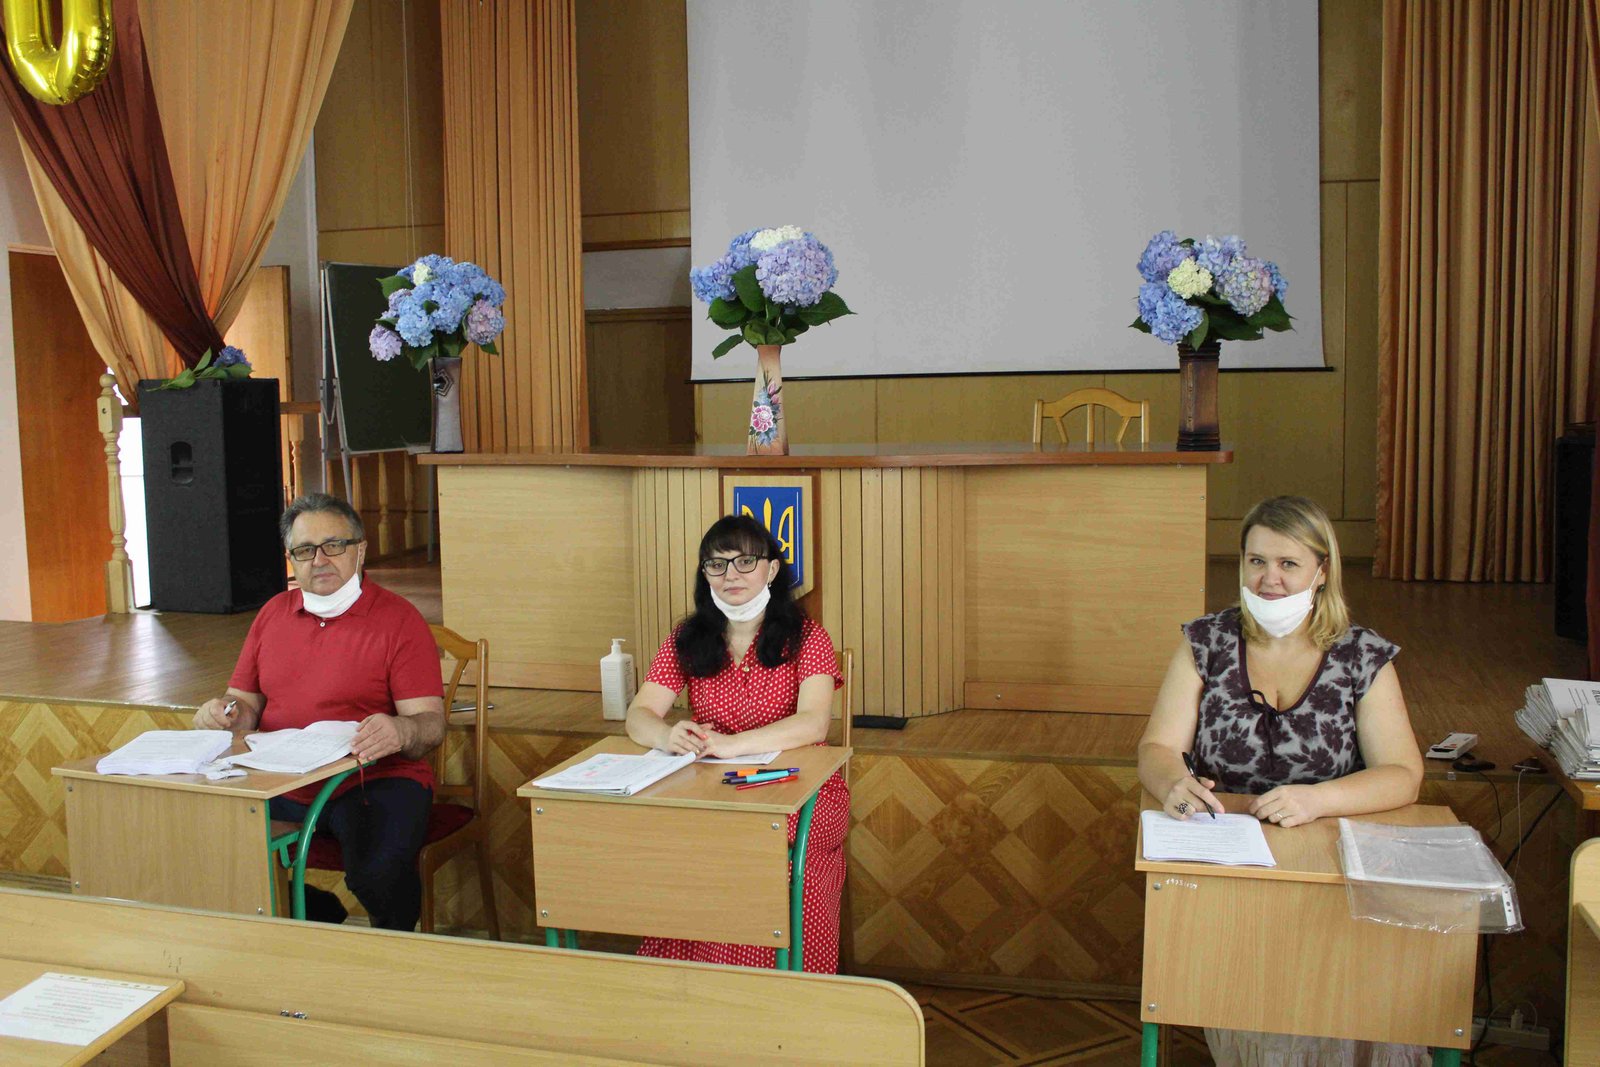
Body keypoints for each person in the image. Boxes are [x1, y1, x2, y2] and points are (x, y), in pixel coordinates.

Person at [1137, 495, 1425, 1067]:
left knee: (1332, 1004)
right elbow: (1157, 748)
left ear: (1322, 571)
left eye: (1288, 563)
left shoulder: (1362, 654)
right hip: (1230, 864)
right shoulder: (1206, 641)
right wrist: (1172, 783)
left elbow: (1404, 775)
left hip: (1329, 866)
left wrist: (1317, 800)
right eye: (1256, 561)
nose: (1269, 579)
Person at [193, 492, 445, 930]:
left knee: (377, 875)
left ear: (360, 549)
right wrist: (226, 714)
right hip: (281, 779)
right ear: (291, 558)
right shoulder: (272, 614)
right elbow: (245, 703)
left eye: (334, 545)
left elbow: (431, 724)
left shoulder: (399, 620)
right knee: (207, 848)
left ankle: (398, 953)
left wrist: (401, 731)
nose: (320, 560)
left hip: (371, 780)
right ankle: (315, 914)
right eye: (305, 550)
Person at [624, 514, 848, 973]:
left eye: (745, 562)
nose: (731, 575)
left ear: (771, 569)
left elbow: (814, 723)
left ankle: (777, 992)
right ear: (704, 574)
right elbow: (639, 715)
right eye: (717, 564)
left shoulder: (808, 637)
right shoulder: (687, 638)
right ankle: (693, 992)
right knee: (681, 854)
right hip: (714, 788)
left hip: (801, 788)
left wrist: (733, 744)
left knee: (770, 858)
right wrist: (667, 734)